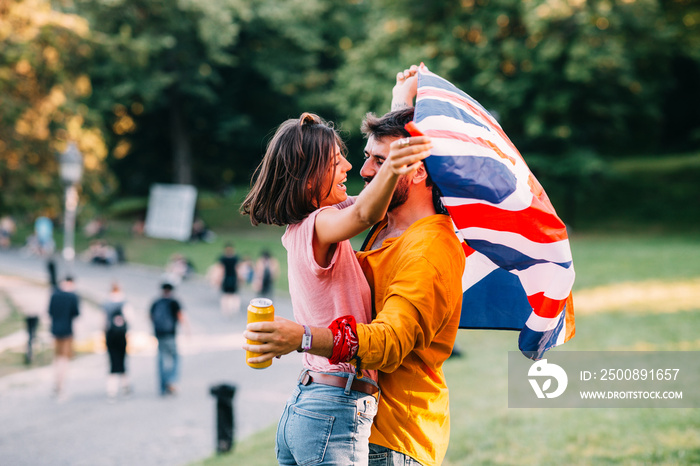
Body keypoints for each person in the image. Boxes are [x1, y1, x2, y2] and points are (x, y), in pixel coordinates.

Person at [244, 68, 465, 466]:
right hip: (340, 412)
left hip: (392, 437)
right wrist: (398, 127)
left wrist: (304, 337)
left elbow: (391, 342)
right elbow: (373, 199)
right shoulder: (366, 220)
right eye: (362, 158)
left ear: (412, 169)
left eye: (378, 161)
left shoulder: (429, 247)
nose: (361, 171)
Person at [149, 282, 186, 396]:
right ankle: (172, 380)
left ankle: (162, 386)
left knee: (161, 360)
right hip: (170, 334)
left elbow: (151, 316)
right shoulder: (174, 302)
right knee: (175, 358)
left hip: (159, 334)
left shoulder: (156, 302)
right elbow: (180, 317)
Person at [48, 276, 81, 398]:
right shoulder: (72, 296)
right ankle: (60, 385)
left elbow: (50, 312)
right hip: (67, 331)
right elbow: (76, 313)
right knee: (64, 359)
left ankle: (55, 381)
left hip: (55, 330)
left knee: (56, 358)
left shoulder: (54, 295)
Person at [102, 283, 132, 402]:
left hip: (110, 335)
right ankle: (125, 386)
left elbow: (103, 322)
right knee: (122, 359)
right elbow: (130, 319)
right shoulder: (124, 303)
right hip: (122, 335)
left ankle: (111, 389)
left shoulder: (106, 304)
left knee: (112, 360)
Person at [218, 243, 241, 315]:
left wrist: (219, 279)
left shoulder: (223, 259)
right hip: (233, 278)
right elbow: (237, 269)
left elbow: (222, 270)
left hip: (226, 278)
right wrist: (239, 278)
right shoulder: (235, 258)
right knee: (234, 295)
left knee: (225, 295)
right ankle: (234, 309)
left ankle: (226, 310)